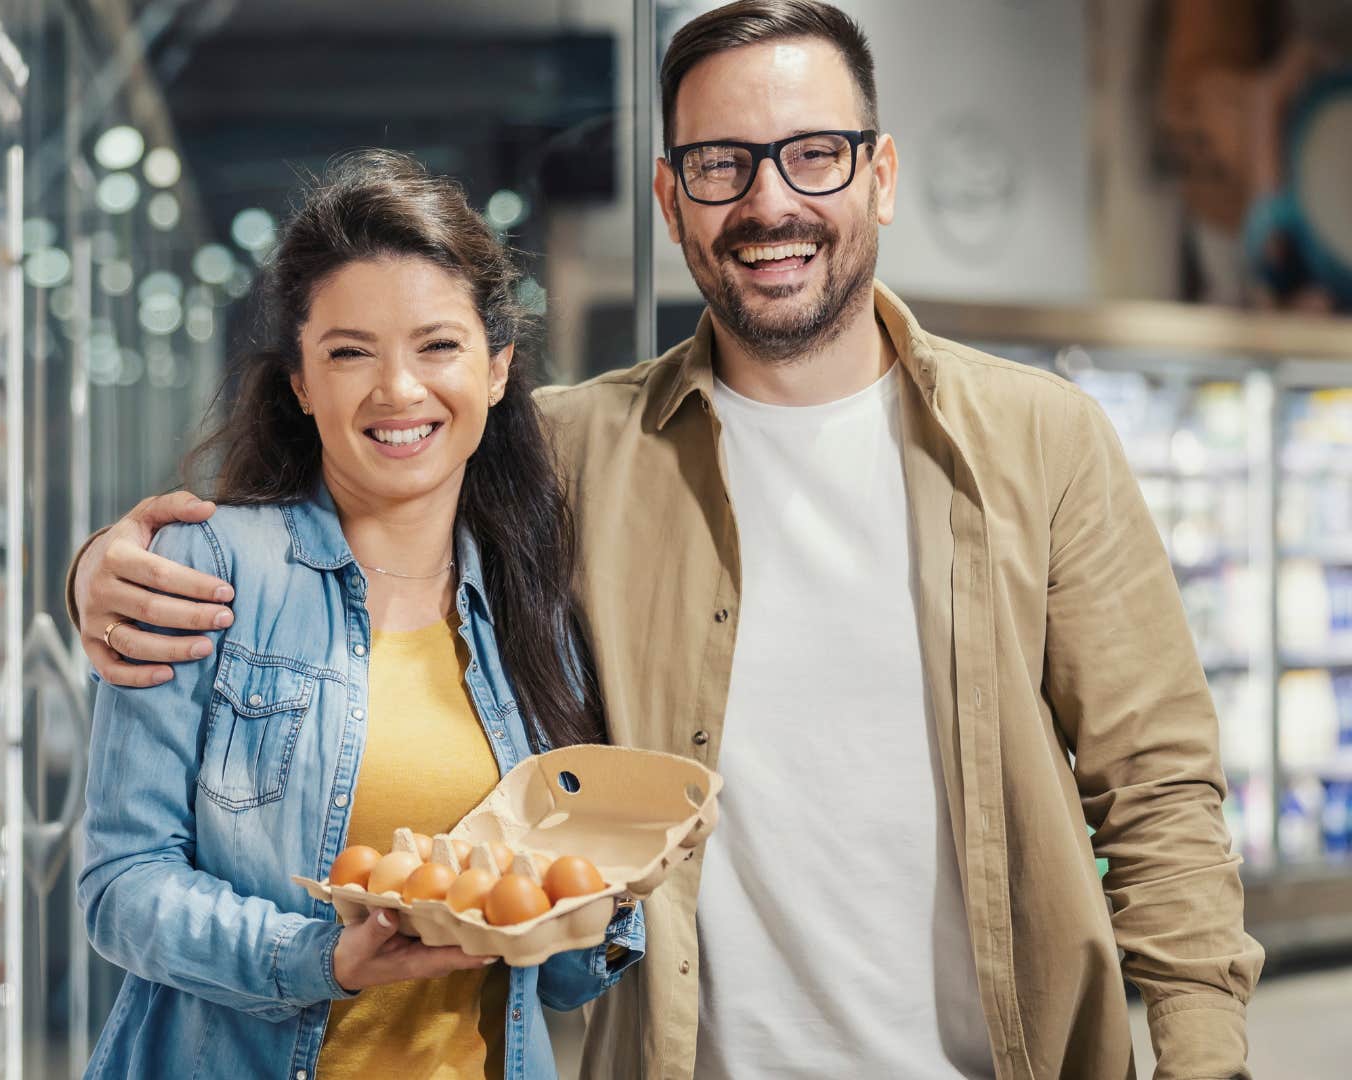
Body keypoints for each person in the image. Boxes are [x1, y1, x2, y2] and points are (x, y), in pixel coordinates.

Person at [70, 2, 1264, 1077]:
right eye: (719, 164)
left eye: (814, 155)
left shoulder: (1042, 441)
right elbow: (383, 476)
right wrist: (107, 568)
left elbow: (1157, 792)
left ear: (881, 175)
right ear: (669, 194)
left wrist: (1202, 1061)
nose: (769, 202)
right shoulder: (575, 450)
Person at [74, 150, 643, 1080]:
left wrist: (613, 905)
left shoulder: (534, 605)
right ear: (301, 383)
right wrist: (320, 960)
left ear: (497, 369)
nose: (399, 390)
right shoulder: (208, 571)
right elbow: (120, 887)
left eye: (437, 345)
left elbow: (572, 980)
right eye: (350, 352)